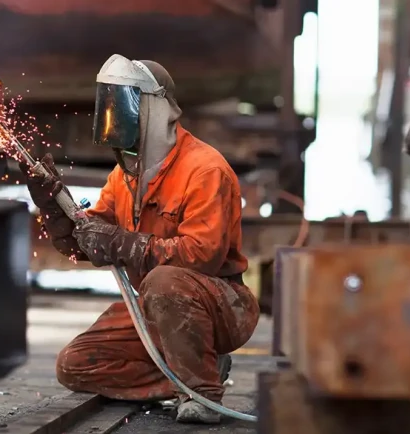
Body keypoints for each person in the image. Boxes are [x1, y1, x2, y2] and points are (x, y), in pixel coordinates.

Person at [20, 54, 260, 424]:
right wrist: (53, 207)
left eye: (121, 105)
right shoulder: (124, 177)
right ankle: (196, 370)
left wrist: (123, 243)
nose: (115, 117)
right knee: (75, 365)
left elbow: (203, 256)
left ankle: (202, 393)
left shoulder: (205, 169)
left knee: (164, 281)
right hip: (155, 308)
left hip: (221, 307)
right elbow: (88, 243)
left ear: (155, 108)